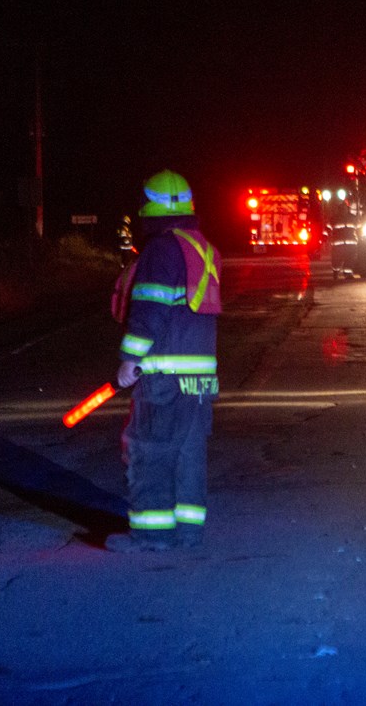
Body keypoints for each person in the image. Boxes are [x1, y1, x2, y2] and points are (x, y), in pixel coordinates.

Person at [107, 169, 222, 553]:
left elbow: (150, 308)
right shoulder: (202, 247)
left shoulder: (161, 250)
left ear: (148, 209)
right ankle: (188, 531)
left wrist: (129, 360)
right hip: (199, 380)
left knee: (149, 450)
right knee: (189, 453)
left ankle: (151, 535)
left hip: (163, 377)